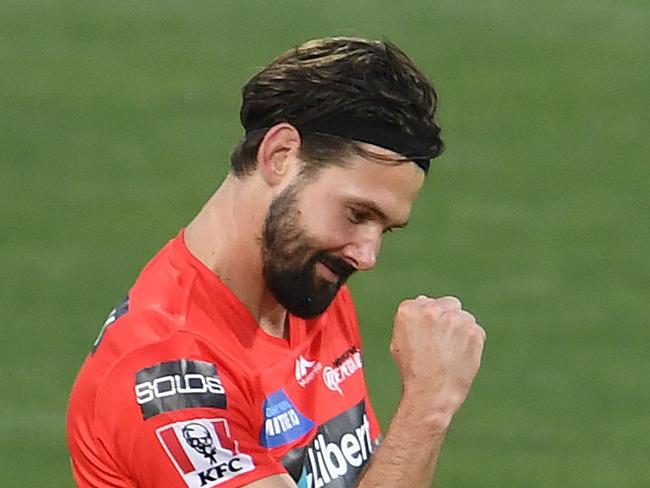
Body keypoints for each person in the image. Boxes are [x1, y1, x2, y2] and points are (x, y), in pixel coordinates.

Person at [67, 37, 486, 488]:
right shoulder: (166, 373)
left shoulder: (305, 285)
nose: (366, 256)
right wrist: (428, 406)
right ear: (280, 156)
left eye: (383, 229)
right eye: (357, 214)